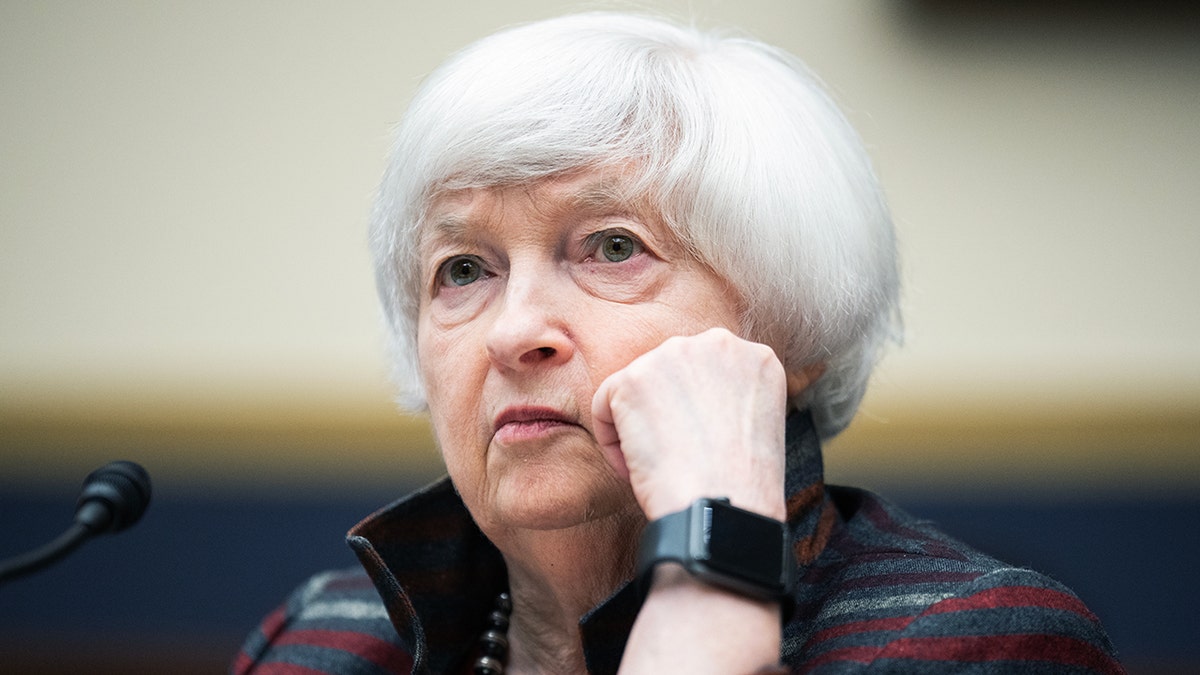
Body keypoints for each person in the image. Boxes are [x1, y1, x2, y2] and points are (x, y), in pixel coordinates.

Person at [233, 12, 1122, 674]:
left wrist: (711, 586)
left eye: (613, 248)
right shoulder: (318, 642)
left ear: (787, 329)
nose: (513, 333)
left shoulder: (970, 642)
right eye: (463, 270)